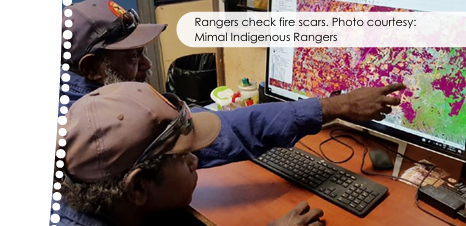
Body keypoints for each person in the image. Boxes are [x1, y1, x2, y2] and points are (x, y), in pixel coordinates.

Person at [59, 80, 404, 226]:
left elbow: (235, 128)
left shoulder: (94, 172)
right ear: (137, 188)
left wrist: (337, 105)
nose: (198, 159)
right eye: (184, 156)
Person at [64, 0, 167, 105]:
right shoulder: (93, 119)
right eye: (134, 56)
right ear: (92, 69)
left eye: (142, 52)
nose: (147, 64)